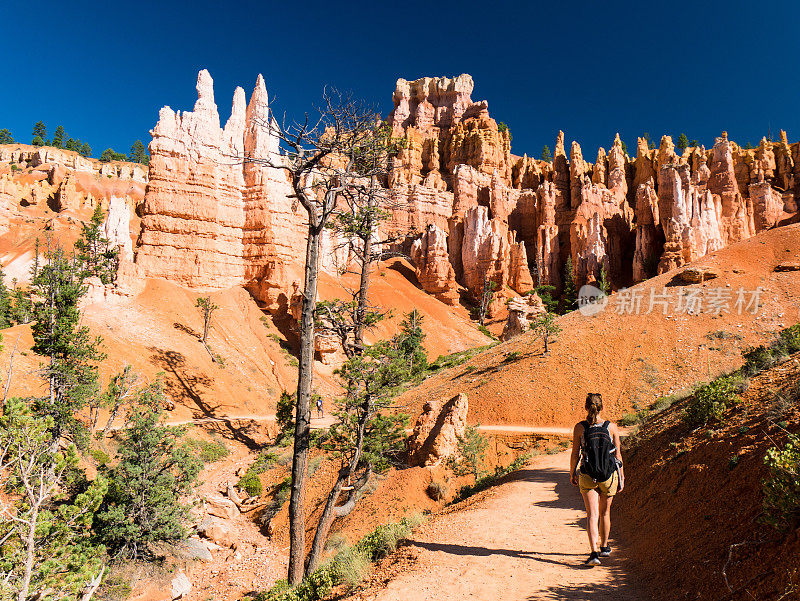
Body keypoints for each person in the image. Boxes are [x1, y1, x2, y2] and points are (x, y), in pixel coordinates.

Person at [569, 392, 625, 566]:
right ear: (602, 407)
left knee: (592, 515)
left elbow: (575, 453)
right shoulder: (612, 427)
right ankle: (605, 547)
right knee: (605, 512)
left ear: (586, 407)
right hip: (608, 475)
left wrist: (572, 473)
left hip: (587, 475)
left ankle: (593, 553)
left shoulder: (580, 428)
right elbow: (618, 454)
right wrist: (621, 476)